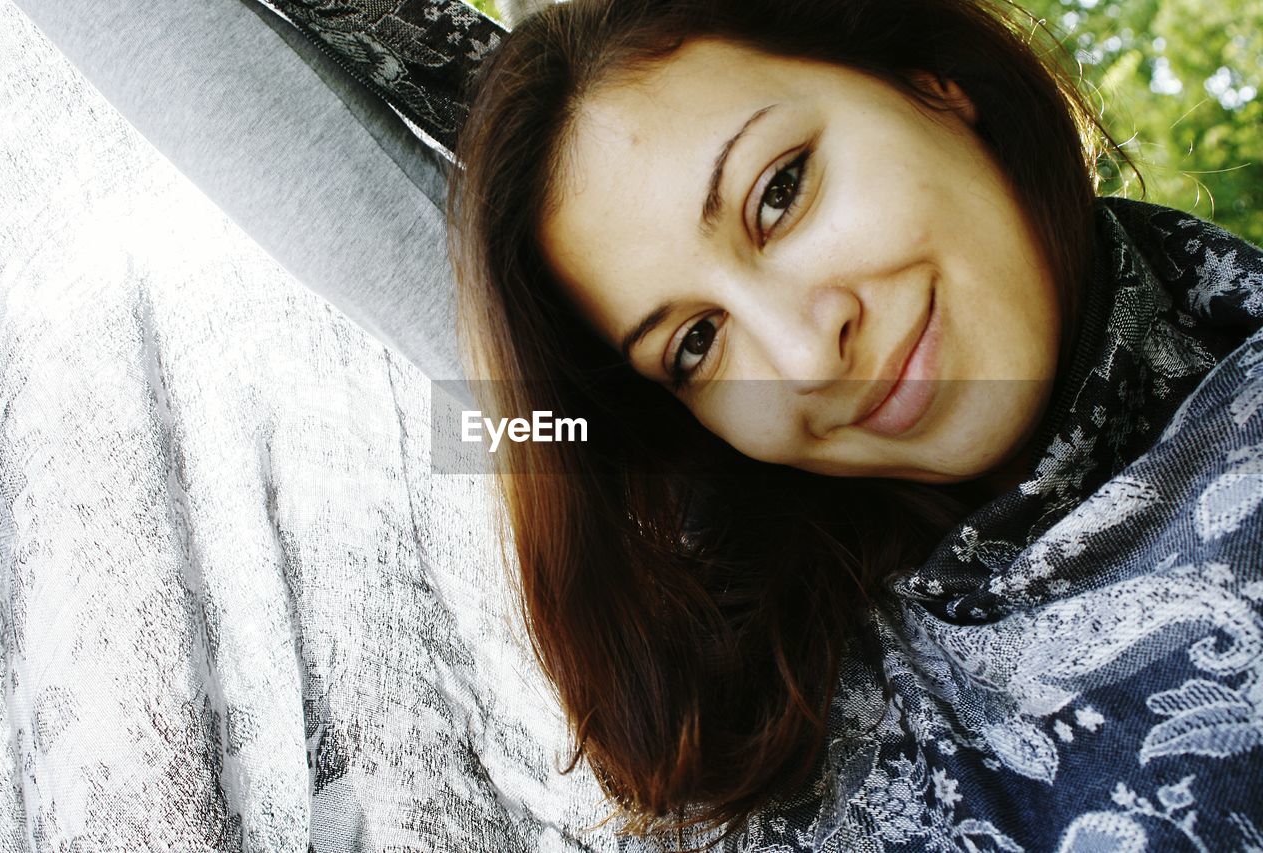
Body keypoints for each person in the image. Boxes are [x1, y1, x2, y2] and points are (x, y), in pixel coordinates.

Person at [447, 0, 1263, 849]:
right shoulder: (761, 734)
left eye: (781, 193)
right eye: (696, 343)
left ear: (929, 82)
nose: (805, 355)